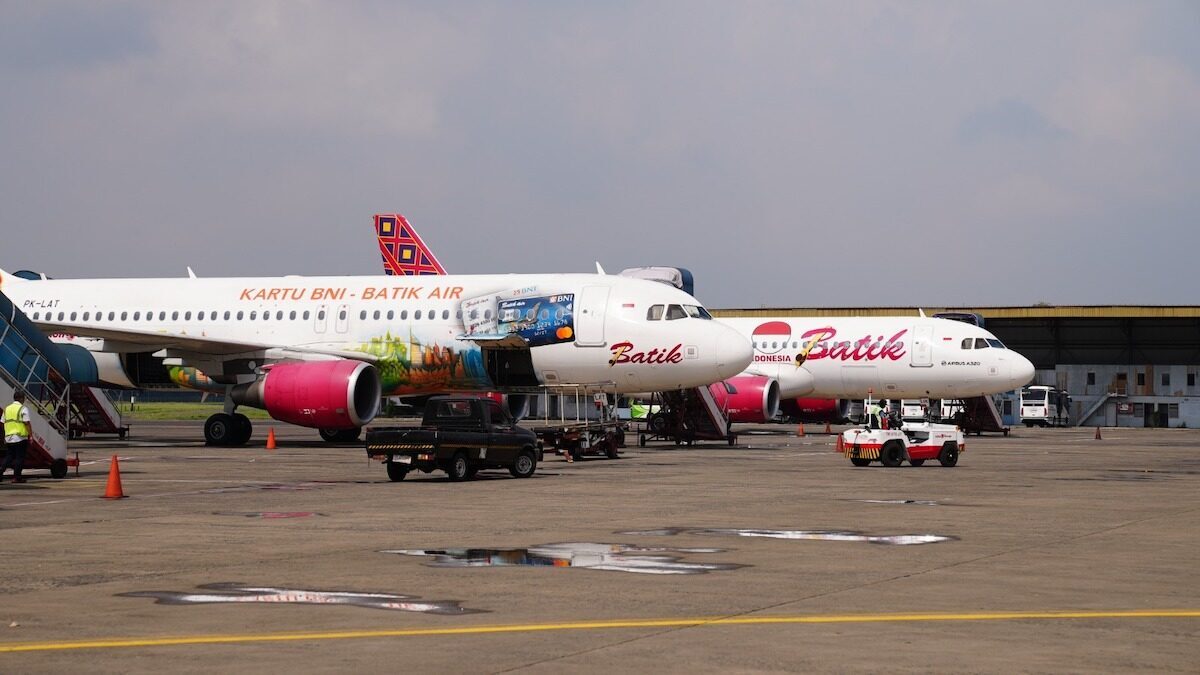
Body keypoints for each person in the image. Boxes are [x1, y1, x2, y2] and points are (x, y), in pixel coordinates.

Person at [3, 391, 32, 483]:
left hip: (9, 437)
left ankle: (0, 472)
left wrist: (5, 436)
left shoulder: (7, 409)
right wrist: (30, 435)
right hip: (20, 437)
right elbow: (27, 423)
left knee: (9, 457)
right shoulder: (23, 408)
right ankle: (17, 477)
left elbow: (3, 422)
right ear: (21, 398)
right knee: (20, 458)